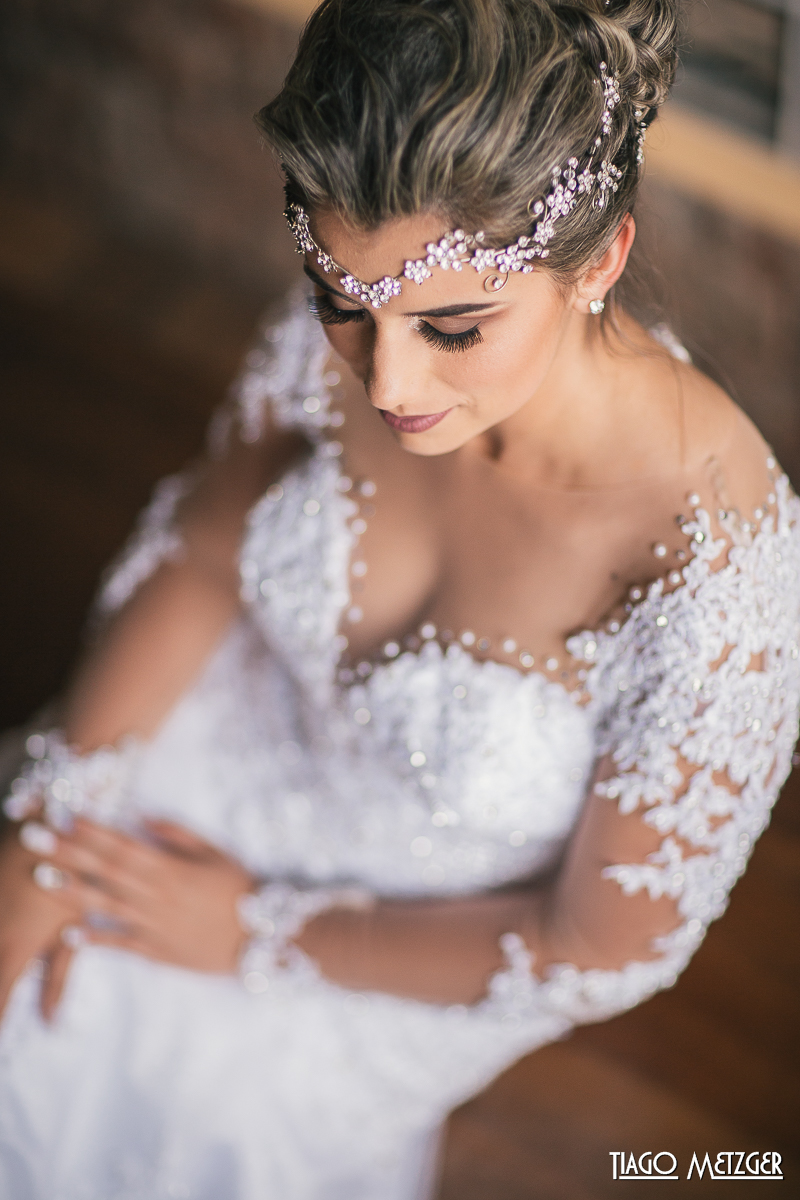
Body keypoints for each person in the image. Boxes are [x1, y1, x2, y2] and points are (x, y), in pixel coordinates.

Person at [1, 0, 798, 1196]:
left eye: (454, 327)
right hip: (235, 745)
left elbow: (594, 943)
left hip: (416, 936)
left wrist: (259, 936)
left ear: (600, 262)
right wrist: (57, 823)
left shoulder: (712, 579)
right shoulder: (379, 300)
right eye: (338, 304)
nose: (387, 380)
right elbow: (210, 554)